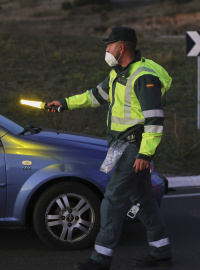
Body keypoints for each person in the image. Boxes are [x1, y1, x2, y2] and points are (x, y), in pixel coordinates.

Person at [48, 26, 172, 270]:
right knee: (144, 199)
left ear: (121, 47)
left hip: (134, 148)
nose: (106, 49)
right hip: (123, 145)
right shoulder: (119, 73)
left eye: (109, 45)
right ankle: (162, 251)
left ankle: (100, 259)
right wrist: (64, 104)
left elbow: (155, 120)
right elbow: (95, 95)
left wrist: (146, 154)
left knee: (112, 200)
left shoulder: (143, 76)